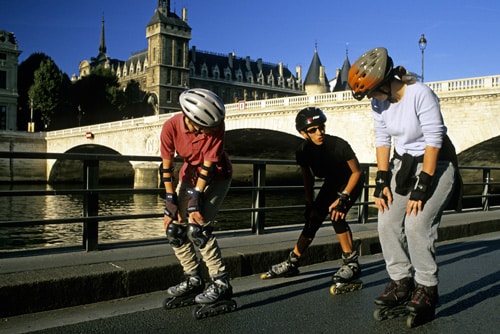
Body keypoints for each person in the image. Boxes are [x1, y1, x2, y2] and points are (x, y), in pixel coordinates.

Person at [348, 47, 461, 321]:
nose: (372, 99)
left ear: (387, 82)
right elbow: (383, 139)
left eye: (373, 91)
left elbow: (434, 140)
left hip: (438, 164)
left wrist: (422, 188)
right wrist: (382, 181)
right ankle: (401, 283)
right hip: (404, 165)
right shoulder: (380, 103)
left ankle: (426, 288)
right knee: (386, 220)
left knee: (417, 223)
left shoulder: (419, 94)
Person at [262, 107, 365, 286]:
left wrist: (343, 198)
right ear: (303, 133)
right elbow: (307, 177)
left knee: (336, 214)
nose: (320, 133)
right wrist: (309, 202)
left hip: (350, 180)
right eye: (313, 130)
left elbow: (357, 172)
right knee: (313, 219)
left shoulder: (339, 145)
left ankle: (351, 262)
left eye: (321, 127)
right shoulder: (303, 151)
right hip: (333, 181)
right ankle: (292, 261)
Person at [160, 88, 233, 308]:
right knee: (173, 228)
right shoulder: (170, 127)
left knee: (198, 228)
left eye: (212, 128)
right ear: (192, 120)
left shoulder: (217, 126)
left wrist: (194, 202)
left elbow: (208, 167)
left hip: (217, 176)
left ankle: (221, 282)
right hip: (189, 175)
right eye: (205, 128)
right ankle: (193, 277)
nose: (210, 131)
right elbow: (167, 168)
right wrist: (170, 201)